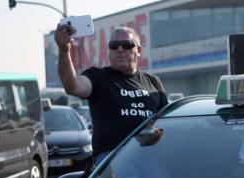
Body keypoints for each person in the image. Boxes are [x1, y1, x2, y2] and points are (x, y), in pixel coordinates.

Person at [54, 24, 168, 165]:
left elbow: (166, 121)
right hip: (112, 158)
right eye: (114, 45)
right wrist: (64, 51)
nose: (119, 49)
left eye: (126, 45)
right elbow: (73, 86)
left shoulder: (153, 81)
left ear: (138, 50)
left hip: (149, 154)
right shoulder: (98, 76)